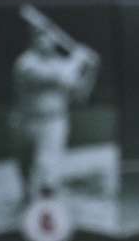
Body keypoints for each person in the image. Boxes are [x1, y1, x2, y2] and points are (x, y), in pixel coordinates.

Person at [11, 22, 98, 202]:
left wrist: (91, 71)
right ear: (33, 40)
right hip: (25, 121)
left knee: (48, 169)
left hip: (54, 122)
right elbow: (61, 77)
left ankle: (47, 203)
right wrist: (78, 59)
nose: (46, 40)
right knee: (25, 167)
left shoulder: (61, 63)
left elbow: (81, 95)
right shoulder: (25, 63)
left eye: (49, 36)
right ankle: (28, 197)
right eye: (40, 36)